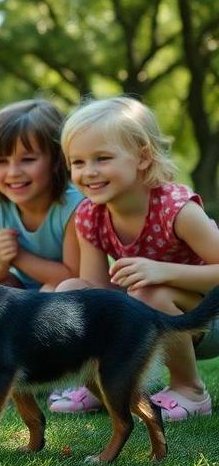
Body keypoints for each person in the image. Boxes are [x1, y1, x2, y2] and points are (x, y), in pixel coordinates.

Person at [54, 96, 219, 420]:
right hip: (149, 321)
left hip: (206, 321)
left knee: (150, 292)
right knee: (73, 292)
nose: (89, 172)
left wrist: (162, 272)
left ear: (142, 157)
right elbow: (97, 291)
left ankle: (190, 390)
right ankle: (104, 388)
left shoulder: (177, 209)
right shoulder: (90, 215)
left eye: (102, 158)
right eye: (78, 162)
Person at [0, 100, 84, 400]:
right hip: (23, 299)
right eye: (1, 161)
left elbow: (76, 276)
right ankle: (2, 369)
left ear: (57, 159)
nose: (13, 172)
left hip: (65, 299)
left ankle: (53, 373)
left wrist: (19, 257)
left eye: (27, 159)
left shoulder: (75, 205)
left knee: (60, 286)